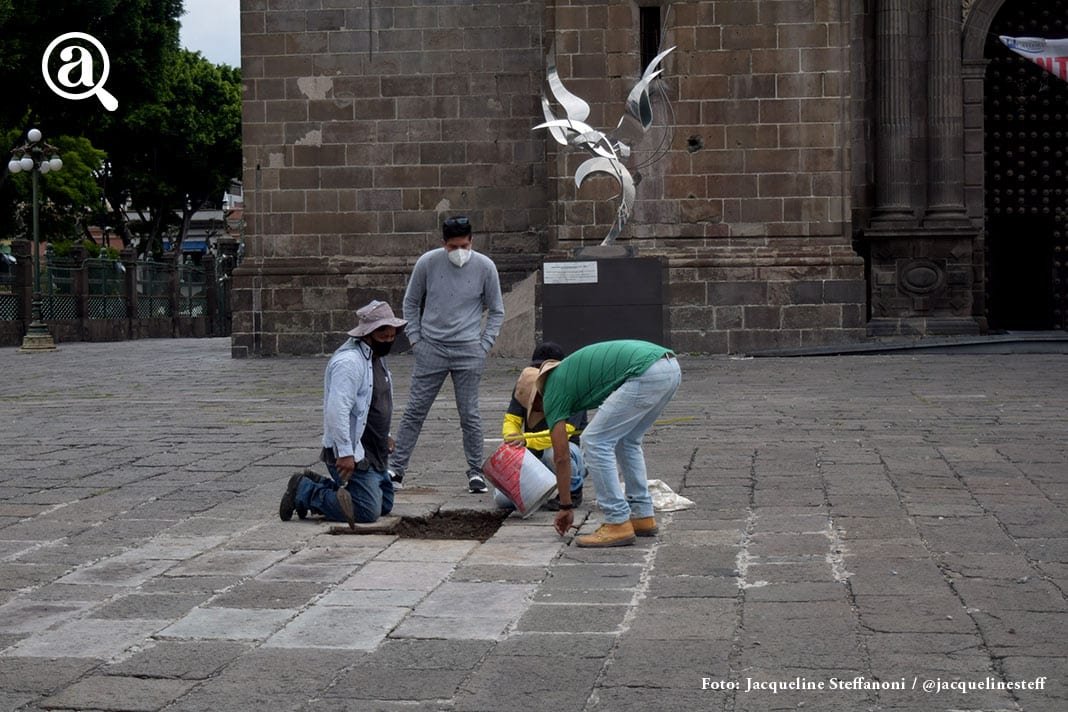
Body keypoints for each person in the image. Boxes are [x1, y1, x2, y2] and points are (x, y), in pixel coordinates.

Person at [389, 215, 505, 493]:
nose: (459, 252)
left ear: (472, 241)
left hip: (469, 350)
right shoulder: (427, 263)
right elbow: (411, 302)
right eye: (453, 247)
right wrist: (416, 340)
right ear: (443, 244)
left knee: (470, 414)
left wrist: (484, 345)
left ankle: (475, 471)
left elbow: (497, 309)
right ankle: (396, 469)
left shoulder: (485, 267)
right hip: (431, 347)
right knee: (415, 410)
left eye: (464, 246)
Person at [534, 339, 682, 548]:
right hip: (669, 366)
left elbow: (561, 457)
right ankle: (642, 515)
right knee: (627, 440)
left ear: (536, 399)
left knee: (594, 440)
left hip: (645, 370)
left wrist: (565, 506)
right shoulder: (567, 374)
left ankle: (617, 521)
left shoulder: (551, 393)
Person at [279, 300, 407, 528]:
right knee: (367, 510)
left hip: (375, 451)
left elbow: (376, 402)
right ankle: (304, 491)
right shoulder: (349, 363)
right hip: (355, 452)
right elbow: (337, 410)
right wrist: (345, 453)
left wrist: (385, 435)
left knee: (384, 504)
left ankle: (318, 485)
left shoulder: (377, 359)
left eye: (392, 336)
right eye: (383, 336)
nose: (389, 340)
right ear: (368, 334)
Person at [494, 342, 587, 511]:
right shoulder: (526, 384)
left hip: (566, 452)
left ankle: (573, 490)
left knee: (552, 452)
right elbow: (511, 419)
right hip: (533, 454)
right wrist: (512, 438)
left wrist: (526, 441)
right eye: (537, 367)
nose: (541, 372)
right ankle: (543, 488)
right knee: (503, 500)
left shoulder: (572, 388)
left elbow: (564, 433)